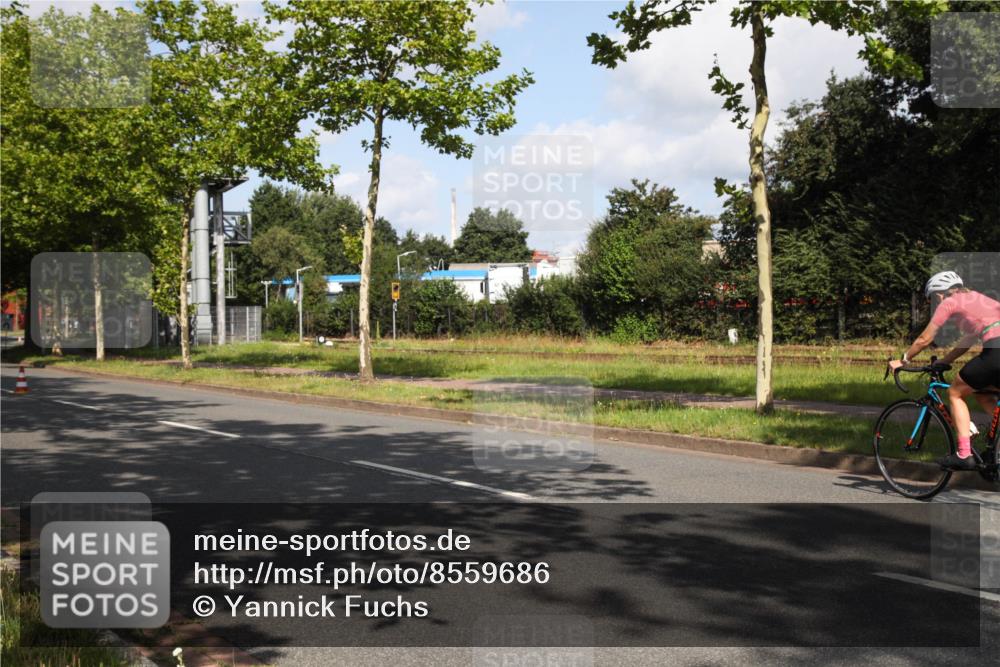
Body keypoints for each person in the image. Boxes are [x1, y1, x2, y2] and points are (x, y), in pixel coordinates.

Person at [888, 271, 1000, 470]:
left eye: (933, 298)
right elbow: (969, 339)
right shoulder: (977, 298)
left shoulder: (950, 301)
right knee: (983, 394)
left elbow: (925, 339)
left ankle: (964, 454)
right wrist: (946, 360)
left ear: (940, 293)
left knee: (955, 392)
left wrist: (903, 360)